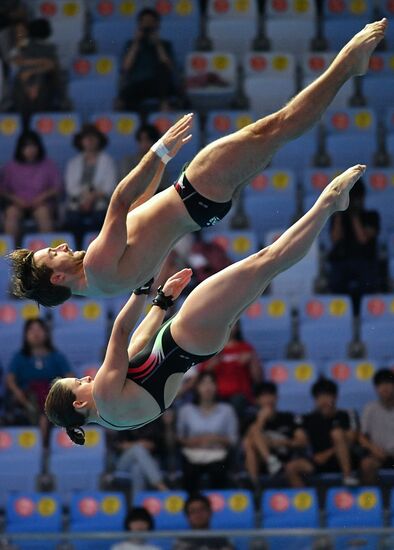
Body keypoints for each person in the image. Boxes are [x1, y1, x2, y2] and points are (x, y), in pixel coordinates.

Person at [10, 20, 387, 307]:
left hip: (202, 207)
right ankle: (348, 65)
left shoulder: (101, 285)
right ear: (57, 278)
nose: (59, 245)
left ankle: (346, 69)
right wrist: (158, 152)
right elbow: (121, 202)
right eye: (52, 253)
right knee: (279, 126)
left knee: (277, 133)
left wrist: (159, 166)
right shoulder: (94, 265)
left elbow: (140, 209)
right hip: (196, 190)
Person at [43, 164, 366, 445]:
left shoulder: (115, 416)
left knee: (267, 268)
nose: (86, 378)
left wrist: (162, 301)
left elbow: (137, 345)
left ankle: (328, 205)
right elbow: (121, 331)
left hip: (198, 345)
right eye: (78, 383)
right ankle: (329, 202)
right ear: (78, 404)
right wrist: (141, 285)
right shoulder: (103, 396)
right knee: (266, 260)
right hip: (187, 331)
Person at [5, 318, 73, 445]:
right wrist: (20, 395)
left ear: (46, 333)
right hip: (26, 400)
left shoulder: (57, 356)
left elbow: (70, 377)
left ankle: (44, 442)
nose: (35, 333)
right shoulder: (19, 357)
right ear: (25, 335)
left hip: (52, 397)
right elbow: (10, 380)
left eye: (39, 329)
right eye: (31, 330)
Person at [285, 378, 359, 487]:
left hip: (346, 458)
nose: (324, 400)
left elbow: (351, 439)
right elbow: (300, 440)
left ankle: (347, 476)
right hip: (318, 461)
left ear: (335, 397)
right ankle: (306, 501)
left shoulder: (348, 414)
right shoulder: (306, 419)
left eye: (327, 396)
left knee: (337, 433)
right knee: (291, 468)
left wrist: (327, 454)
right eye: (319, 397)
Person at [176, 371, 238, 493]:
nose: (208, 387)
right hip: (192, 455)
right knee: (189, 472)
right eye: (203, 383)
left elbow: (233, 439)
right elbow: (179, 438)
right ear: (197, 387)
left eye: (211, 383)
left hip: (219, 455)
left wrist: (214, 439)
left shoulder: (227, 410)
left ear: (216, 387)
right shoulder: (186, 410)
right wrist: (195, 442)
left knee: (218, 471)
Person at [327, 178, 380, 314]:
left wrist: (355, 216)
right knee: (335, 281)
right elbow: (335, 239)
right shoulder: (338, 217)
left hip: (365, 262)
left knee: (367, 281)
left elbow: (362, 239)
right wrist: (338, 212)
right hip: (343, 262)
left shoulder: (371, 216)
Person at [0, 130, 62, 243]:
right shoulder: (10, 166)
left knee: (43, 213)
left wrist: (42, 197)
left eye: (33, 146)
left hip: (42, 204)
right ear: (20, 149)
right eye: (27, 147)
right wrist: (16, 199)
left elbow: (57, 188)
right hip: (17, 204)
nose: (30, 150)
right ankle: (12, 256)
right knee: (11, 213)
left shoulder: (49, 164)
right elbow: (3, 190)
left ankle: (49, 256)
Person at [243, 382, 304, 489]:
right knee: (250, 439)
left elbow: (302, 441)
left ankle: (270, 466)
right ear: (257, 400)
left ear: (276, 397)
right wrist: (261, 420)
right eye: (263, 396)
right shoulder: (250, 421)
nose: (268, 399)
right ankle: (257, 484)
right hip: (260, 463)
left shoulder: (288, 417)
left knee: (252, 437)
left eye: (271, 395)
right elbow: (245, 444)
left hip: (285, 459)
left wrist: (276, 443)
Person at [64, 124, 117, 247]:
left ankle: (101, 249)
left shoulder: (107, 161)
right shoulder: (73, 163)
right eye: (86, 138)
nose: (89, 141)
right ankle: (75, 250)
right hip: (78, 201)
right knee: (73, 218)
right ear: (81, 141)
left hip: (101, 200)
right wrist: (85, 197)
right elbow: (71, 188)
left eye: (93, 138)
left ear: (99, 140)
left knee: (101, 216)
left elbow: (110, 186)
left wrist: (93, 197)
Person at [117, 8, 177, 112]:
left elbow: (169, 67)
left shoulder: (165, 45)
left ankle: (164, 108)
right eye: (145, 23)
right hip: (137, 83)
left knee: (163, 75)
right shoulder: (131, 45)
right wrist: (136, 43)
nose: (148, 26)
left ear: (157, 25)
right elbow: (125, 67)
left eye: (151, 23)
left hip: (159, 84)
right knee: (125, 95)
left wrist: (158, 45)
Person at [198, 322, 261, 411]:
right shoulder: (211, 349)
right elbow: (201, 377)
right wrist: (212, 364)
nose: (229, 326)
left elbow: (258, 379)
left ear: (238, 327)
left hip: (240, 396)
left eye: (233, 323)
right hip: (217, 396)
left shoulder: (246, 348)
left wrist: (252, 361)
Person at [9, 18, 61, 121]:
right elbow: (20, 63)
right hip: (22, 87)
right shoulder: (22, 48)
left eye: (22, 31)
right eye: (17, 32)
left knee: (40, 77)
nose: (20, 34)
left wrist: (34, 82)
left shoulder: (47, 48)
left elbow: (50, 66)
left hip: (39, 87)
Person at [359, 368, 394, 484]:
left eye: (388, 383)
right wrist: (373, 449)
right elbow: (362, 437)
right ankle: (371, 500)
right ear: (375, 388)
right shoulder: (369, 409)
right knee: (366, 464)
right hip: (379, 455)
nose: (384, 388)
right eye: (380, 384)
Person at [120, 124, 171, 191]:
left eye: (147, 140)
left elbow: (163, 187)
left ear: (155, 142)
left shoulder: (161, 163)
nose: (144, 144)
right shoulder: (128, 161)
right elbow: (125, 186)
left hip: (155, 199)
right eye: (141, 140)